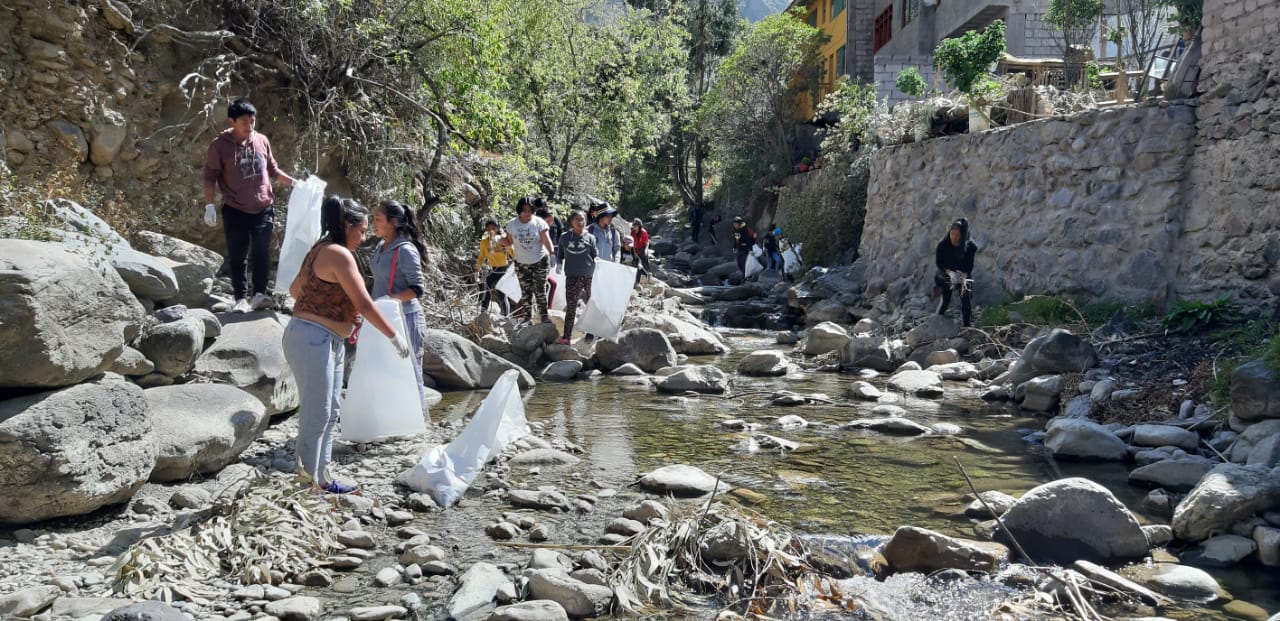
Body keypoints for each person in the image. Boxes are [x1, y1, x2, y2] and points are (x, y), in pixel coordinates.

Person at [283, 196, 409, 495]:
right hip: (312, 339)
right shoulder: (338, 253)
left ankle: (322, 479)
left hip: (325, 339)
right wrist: (393, 336)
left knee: (330, 411)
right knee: (317, 413)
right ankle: (305, 484)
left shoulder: (319, 250)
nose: (364, 237)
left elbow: (295, 289)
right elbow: (364, 304)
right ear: (346, 226)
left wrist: (327, 310)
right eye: (361, 230)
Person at [202, 99, 295, 314]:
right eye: (244, 122)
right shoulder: (219, 146)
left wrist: (295, 183)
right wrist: (209, 205)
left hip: (263, 207)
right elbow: (210, 176)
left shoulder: (261, 140)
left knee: (262, 251)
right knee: (238, 254)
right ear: (231, 121)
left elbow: (272, 170)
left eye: (252, 121)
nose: (249, 126)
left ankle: (260, 294)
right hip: (235, 208)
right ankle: (241, 298)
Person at [370, 199, 428, 412]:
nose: (372, 223)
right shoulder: (380, 246)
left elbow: (417, 289)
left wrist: (387, 301)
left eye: (377, 219)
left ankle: (416, 419)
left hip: (406, 319)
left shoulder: (405, 250)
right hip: (384, 319)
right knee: (386, 369)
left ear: (393, 222)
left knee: (411, 371)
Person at [503, 197, 555, 325]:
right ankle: (527, 317)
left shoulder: (539, 222)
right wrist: (499, 239)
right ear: (519, 210)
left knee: (540, 289)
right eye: (524, 210)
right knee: (525, 291)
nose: (527, 213)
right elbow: (509, 242)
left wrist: (552, 254)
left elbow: (546, 240)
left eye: (530, 210)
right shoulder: (512, 224)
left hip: (539, 260)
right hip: (521, 263)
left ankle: (544, 316)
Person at [555, 210, 598, 345]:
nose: (580, 222)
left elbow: (595, 254)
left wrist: (597, 261)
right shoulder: (564, 237)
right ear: (572, 221)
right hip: (572, 276)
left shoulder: (590, 238)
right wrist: (558, 264)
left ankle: (591, 332)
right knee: (571, 306)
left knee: (592, 304)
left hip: (588, 276)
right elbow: (560, 254)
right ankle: (566, 336)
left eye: (583, 219)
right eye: (577, 219)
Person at [934, 217, 979, 327]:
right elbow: (939, 263)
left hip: (962, 275)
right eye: (952, 234)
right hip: (946, 274)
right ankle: (936, 322)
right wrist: (949, 272)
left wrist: (962, 275)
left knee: (966, 298)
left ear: (963, 236)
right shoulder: (942, 245)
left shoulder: (970, 247)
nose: (954, 237)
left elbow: (969, 266)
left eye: (957, 235)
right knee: (945, 299)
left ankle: (967, 326)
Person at [475, 219, 513, 315]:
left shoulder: (502, 240)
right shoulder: (484, 242)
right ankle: (482, 313)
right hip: (493, 270)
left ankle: (506, 316)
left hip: (503, 270)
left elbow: (513, 252)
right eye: (488, 229)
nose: (490, 231)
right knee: (486, 291)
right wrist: (477, 269)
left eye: (493, 228)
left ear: (497, 229)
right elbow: (481, 257)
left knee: (502, 295)